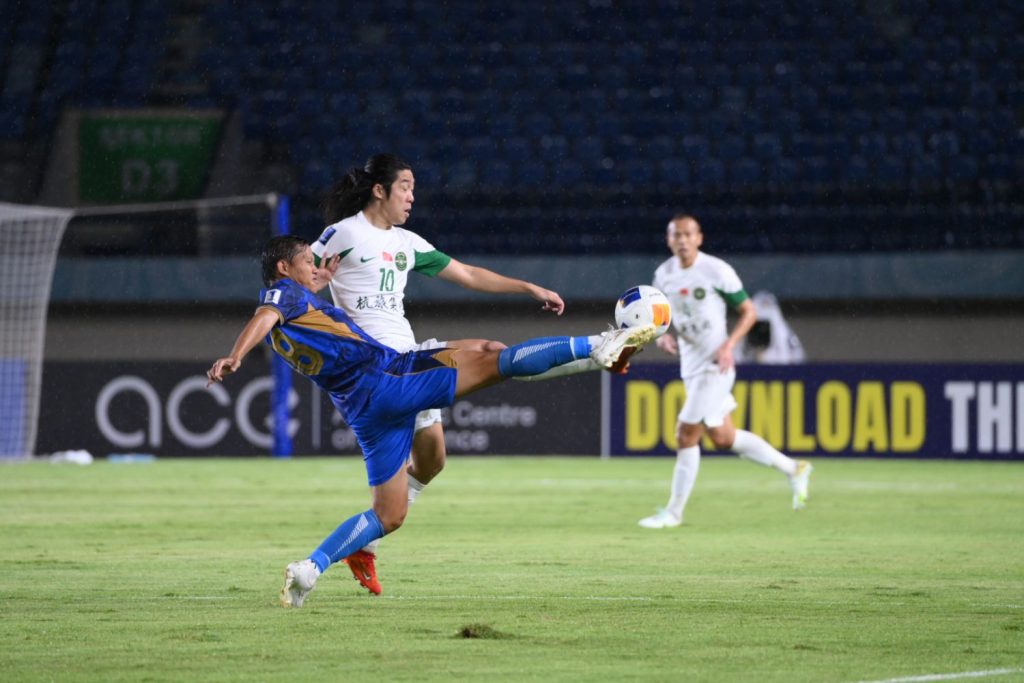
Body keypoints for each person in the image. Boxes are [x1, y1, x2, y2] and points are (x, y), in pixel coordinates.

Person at [206, 235, 655, 607]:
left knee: (389, 513)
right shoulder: (279, 297)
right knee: (495, 359)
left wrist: (317, 281)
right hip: (390, 376)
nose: (315, 267)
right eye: (307, 261)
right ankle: (598, 346)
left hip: (363, 410)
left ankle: (309, 569)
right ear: (284, 269)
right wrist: (236, 355)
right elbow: (266, 314)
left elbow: (297, 311)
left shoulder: (300, 303)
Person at [309, 153, 594, 594]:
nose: (412, 196)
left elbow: (468, 274)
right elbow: (295, 279)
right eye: (404, 186)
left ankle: (363, 544)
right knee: (494, 356)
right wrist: (310, 288)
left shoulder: (407, 243)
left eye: (414, 188)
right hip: (377, 370)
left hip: (410, 358)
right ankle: (594, 350)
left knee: (433, 461)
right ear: (379, 190)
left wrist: (527, 287)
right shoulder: (343, 233)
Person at [637, 215, 813, 529]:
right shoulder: (663, 275)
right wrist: (661, 335)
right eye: (676, 235)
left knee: (685, 434)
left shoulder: (716, 270)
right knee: (722, 437)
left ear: (699, 238)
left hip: (716, 366)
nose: (682, 240)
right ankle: (794, 468)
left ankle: (673, 513)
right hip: (690, 366)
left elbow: (749, 311)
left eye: (688, 234)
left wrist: (729, 345)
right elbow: (658, 316)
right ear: (669, 240)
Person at [733, 290, 807, 365]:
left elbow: (796, 361)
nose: (761, 329)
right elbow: (735, 358)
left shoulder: (784, 333)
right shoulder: (743, 333)